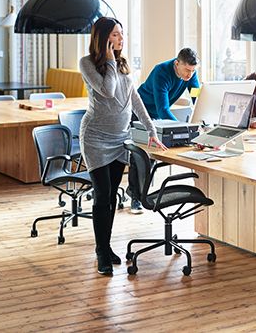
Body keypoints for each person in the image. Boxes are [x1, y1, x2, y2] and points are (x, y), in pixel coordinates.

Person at [79, 17, 166, 276]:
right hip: (95, 138)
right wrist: (108, 60)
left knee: (112, 194)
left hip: (119, 139)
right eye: (115, 35)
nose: (121, 39)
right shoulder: (88, 63)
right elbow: (107, 90)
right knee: (102, 195)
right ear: (103, 38)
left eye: (122, 34)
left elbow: (134, 100)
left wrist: (151, 130)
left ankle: (106, 246)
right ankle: (101, 251)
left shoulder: (122, 65)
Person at [127, 48, 200, 213]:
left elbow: (197, 98)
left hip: (158, 116)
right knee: (141, 155)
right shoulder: (162, 72)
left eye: (193, 70)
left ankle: (139, 191)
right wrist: (184, 129)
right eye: (187, 70)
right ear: (177, 63)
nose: (190, 75)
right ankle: (135, 197)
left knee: (151, 157)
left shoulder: (191, 74)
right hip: (140, 112)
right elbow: (163, 109)